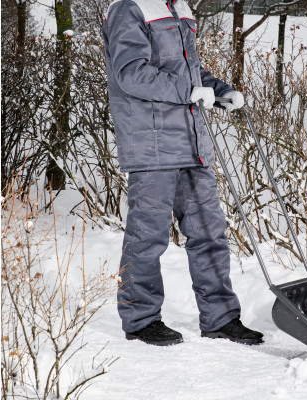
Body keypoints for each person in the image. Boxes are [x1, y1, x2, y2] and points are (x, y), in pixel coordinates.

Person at [102, 0, 264, 346]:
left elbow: (189, 74)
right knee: (148, 237)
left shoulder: (181, 9)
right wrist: (188, 92)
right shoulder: (130, 8)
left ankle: (221, 318)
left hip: (193, 144)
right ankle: (140, 319)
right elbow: (130, 71)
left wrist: (219, 92)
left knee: (210, 232)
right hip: (152, 144)